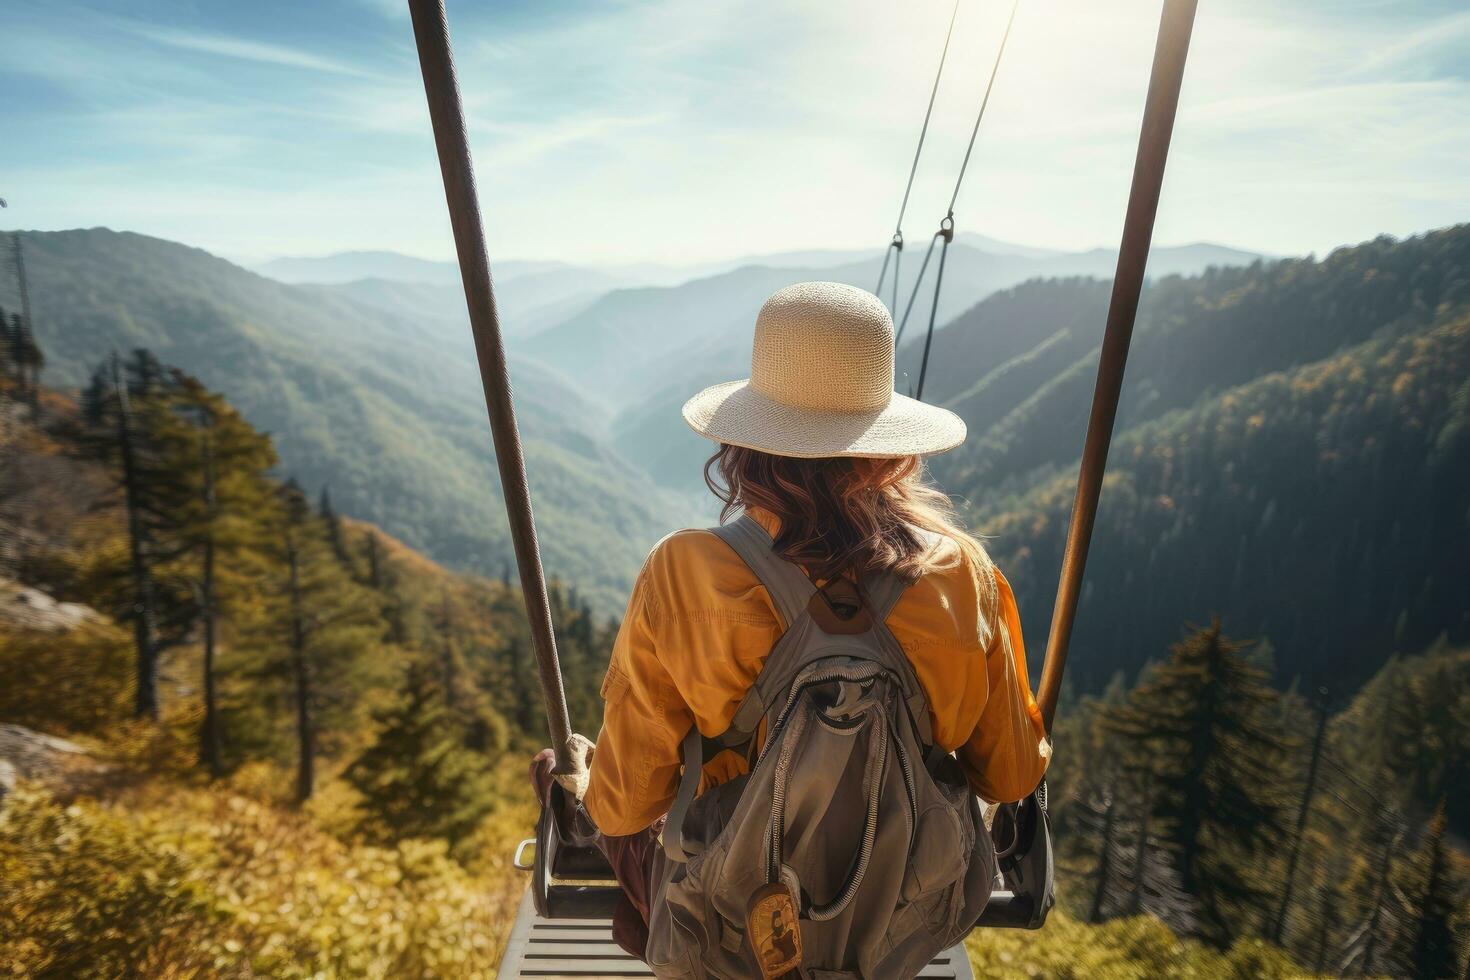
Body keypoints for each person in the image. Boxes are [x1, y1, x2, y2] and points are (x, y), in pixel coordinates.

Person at [531, 280, 1050, 966]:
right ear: (889, 446)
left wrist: (580, 783)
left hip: (732, 921)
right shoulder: (963, 576)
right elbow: (1010, 777)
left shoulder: (685, 571)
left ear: (747, 443)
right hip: (903, 910)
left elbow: (626, 807)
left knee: (559, 773)